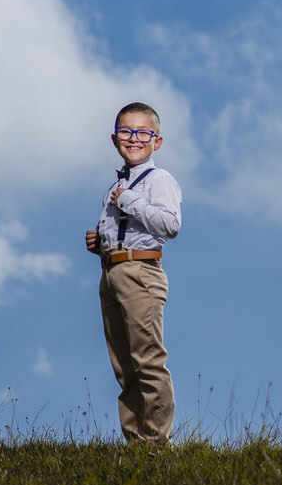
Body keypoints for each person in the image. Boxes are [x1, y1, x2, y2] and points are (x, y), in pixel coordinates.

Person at [85, 101, 182, 444]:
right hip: (111, 272)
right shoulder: (116, 185)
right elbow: (129, 230)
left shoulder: (159, 179)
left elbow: (170, 225)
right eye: (126, 132)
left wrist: (128, 201)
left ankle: (157, 444)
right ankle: (136, 443)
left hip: (141, 271)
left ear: (157, 141)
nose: (134, 138)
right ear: (115, 139)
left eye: (144, 132)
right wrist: (100, 241)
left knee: (148, 360)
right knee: (124, 366)